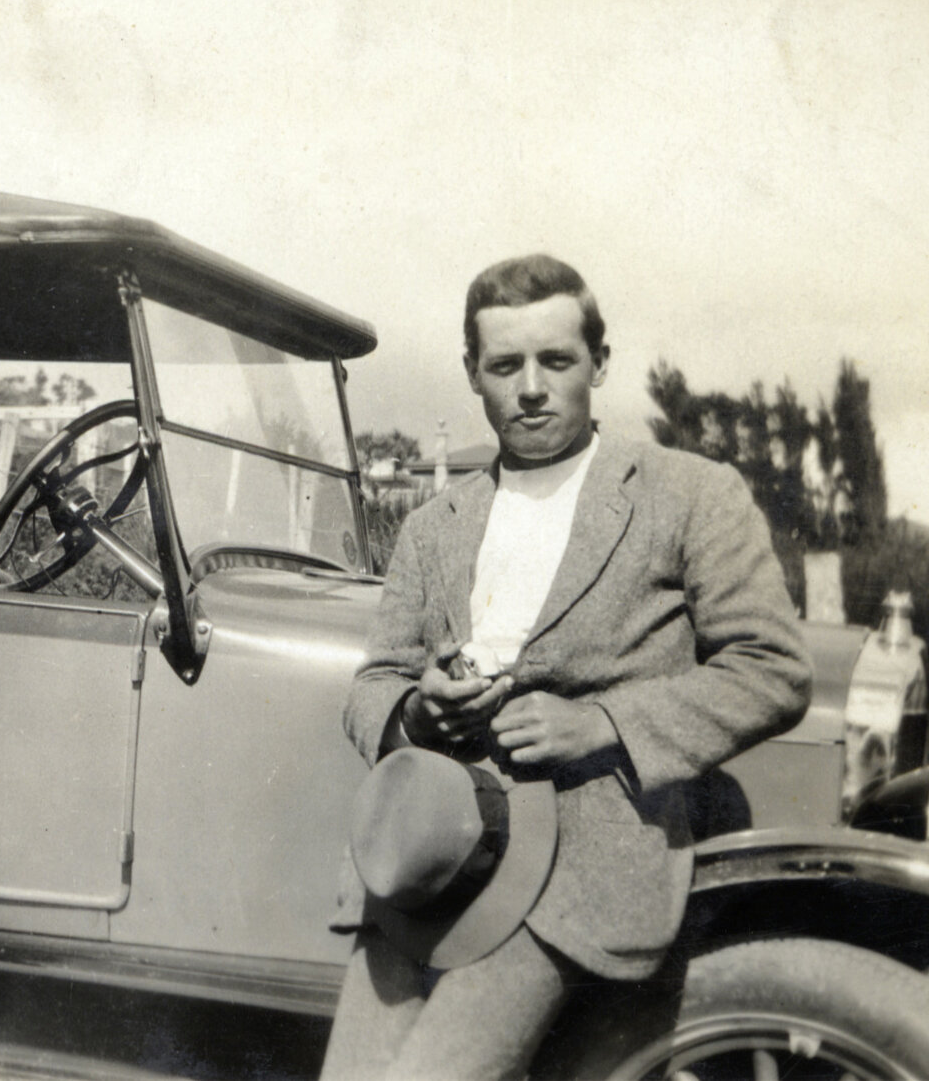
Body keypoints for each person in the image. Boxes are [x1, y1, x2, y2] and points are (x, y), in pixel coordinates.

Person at [318, 254, 812, 1079]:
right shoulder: (432, 527)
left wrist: (604, 724)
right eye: (505, 366)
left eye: (556, 361)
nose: (532, 388)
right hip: (427, 851)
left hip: (576, 872)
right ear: (472, 374)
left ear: (599, 364)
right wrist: (417, 712)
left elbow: (772, 668)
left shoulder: (688, 494)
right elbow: (372, 685)